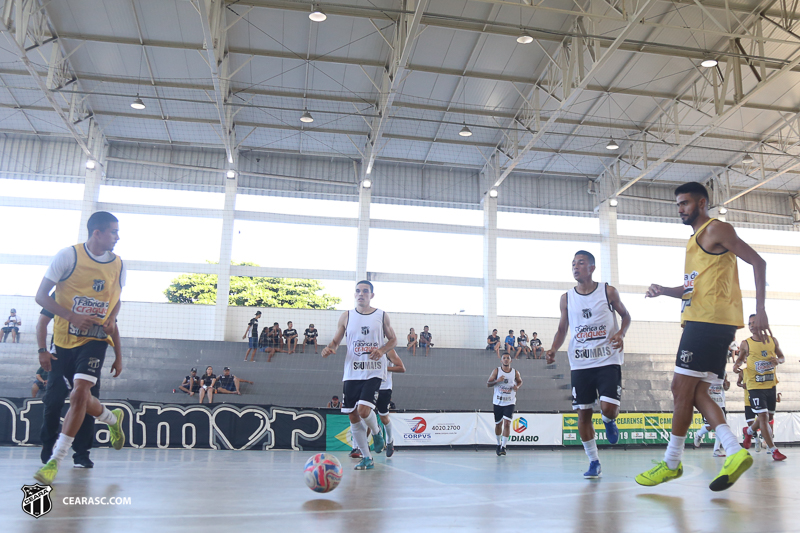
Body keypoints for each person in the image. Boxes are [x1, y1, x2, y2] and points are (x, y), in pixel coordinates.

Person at [635, 182, 767, 492]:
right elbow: (692, 288)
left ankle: (671, 464)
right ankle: (733, 452)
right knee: (697, 393)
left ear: (702, 203)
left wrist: (760, 311)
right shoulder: (694, 242)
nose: (680, 208)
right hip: (708, 322)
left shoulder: (715, 229)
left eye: (685, 203)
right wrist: (663, 290)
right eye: (678, 204)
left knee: (680, 388)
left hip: (707, 322)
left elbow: (758, 262)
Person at [33, 211, 126, 485]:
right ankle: (111, 417)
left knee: (79, 394)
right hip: (62, 341)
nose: (117, 237)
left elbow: (117, 301)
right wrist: (71, 316)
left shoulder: (118, 264)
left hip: (95, 340)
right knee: (75, 400)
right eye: (113, 232)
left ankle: (55, 460)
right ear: (97, 233)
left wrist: (110, 320)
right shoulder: (68, 257)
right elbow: (40, 297)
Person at [546, 250, 631, 479]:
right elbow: (562, 328)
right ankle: (594, 461)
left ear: (592, 267)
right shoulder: (566, 298)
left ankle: (608, 420)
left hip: (607, 359)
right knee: (582, 414)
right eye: (573, 263)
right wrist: (554, 348)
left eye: (580, 263)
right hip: (581, 363)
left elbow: (626, 316)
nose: (575, 267)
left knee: (608, 408)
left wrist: (621, 333)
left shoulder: (608, 291)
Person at [36, 291, 119, 469]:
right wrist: (42, 349)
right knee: (53, 401)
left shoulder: (105, 292)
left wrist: (119, 357)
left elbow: (115, 322)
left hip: (90, 350)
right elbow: (42, 321)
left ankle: (81, 454)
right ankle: (48, 448)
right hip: (61, 353)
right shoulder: (64, 288)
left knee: (85, 400)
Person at [321, 280, 397, 470]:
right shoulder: (346, 316)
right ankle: (366, 458)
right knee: (353, 416)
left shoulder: (381, 315)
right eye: (357, 291)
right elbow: (336, 342)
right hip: (351, 372)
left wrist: (382, 350)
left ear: (372, 295)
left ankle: (377, 433)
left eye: (365, 291)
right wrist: (330, 348)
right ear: (354, 294)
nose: (360, 294)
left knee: (364, 411)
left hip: (373, 370)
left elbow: (393, 339)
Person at [733, 314, 786, 461]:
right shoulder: (746, 343)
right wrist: (736, 365)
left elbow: (782, 357)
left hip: (770, 384)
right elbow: (740, 359)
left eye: (754, 323)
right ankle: (774, 450)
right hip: (754, 386)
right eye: (749, 323)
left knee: (769, 417)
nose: (751, 326)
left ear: (762, 324)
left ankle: (749, 431)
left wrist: (778, 360)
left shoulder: (773, 341)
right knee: (763, 417)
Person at [487, 352, 522, 456]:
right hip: (498, 401)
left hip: (510, 401)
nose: (506, 359)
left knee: (507, 423)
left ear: (510, 360)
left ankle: (503, 446)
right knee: (498, 424)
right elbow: (488, 384)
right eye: (504, 358)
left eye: (508, 358)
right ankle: (498, 444)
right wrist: (497, 381)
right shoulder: (496, 371)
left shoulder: (515, 372)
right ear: (501, 360)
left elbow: (519, 381)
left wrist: (517, 387)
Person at [376, 349, 406, 458]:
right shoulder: (367, 348)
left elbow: (402, 368)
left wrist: (384, 368)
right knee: (365, 413)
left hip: (384, 388)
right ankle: (361, 446)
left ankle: (389, 441)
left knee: (383, 417)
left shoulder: (388, 351)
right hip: (370, 386)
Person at [693, 374, 730, 457]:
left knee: (721, 427)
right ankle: (699, 434)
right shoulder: (705, 371)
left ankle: (716, 449)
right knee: (709, 426)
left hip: (720, 403)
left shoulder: (722, 371)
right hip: (708, 402)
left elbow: (726, 387)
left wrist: (726, 384)